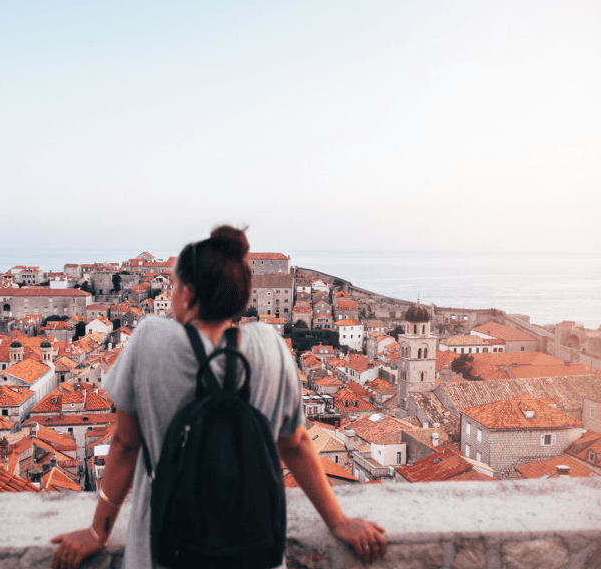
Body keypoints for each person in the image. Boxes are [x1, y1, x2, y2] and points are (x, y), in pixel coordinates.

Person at [51, 226, 387, 569]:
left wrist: (98, 531)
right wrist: (339, 522)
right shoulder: (270, 346)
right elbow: (296, 443)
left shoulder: (149, 340)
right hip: (251, 546)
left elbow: (126, 445)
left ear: (189, 294)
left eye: (175, 284)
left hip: (165, 547)